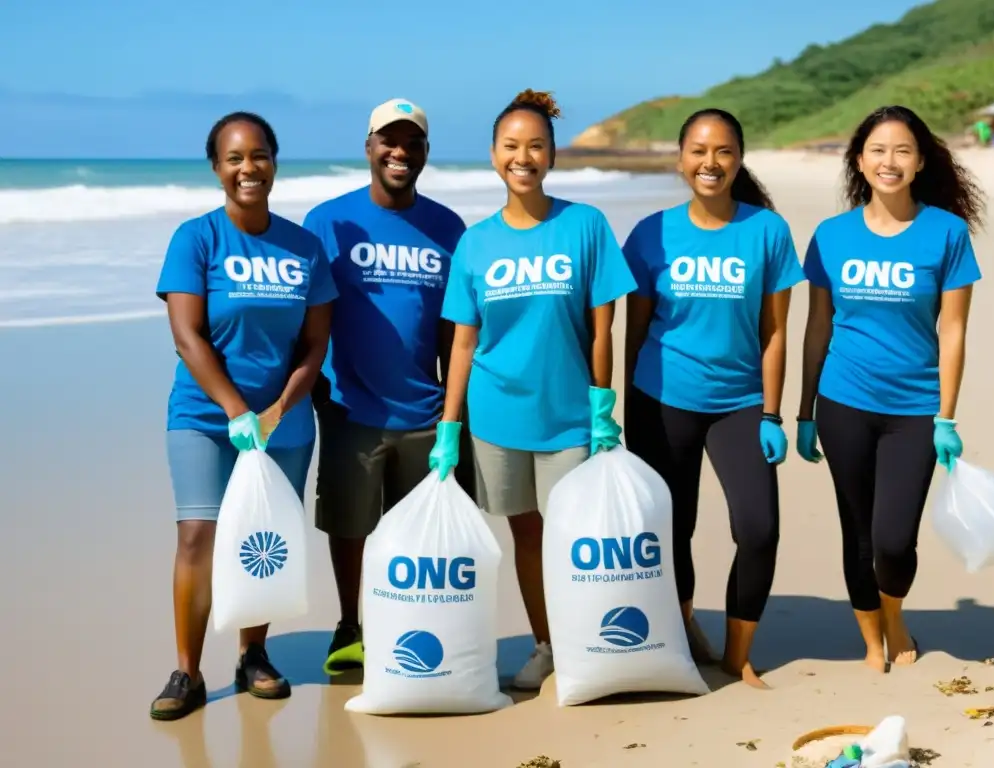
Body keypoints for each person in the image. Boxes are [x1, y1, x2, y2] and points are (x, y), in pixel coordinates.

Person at [428, 89, 638, 690]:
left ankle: (588, 643)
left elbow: (605, 327)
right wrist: (450, 427)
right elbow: (464, 342)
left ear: (552, 155)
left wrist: (604, 405)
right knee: (527, 535)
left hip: (570, 415)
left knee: (576, 538)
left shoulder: (585, 226)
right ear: (494, 155)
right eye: (511, 146)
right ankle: (548, 645)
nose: (524, 156)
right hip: (495, 417)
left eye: (536, 146)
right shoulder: (476, 243)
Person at [150, 112, 337, 720]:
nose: (247, 168)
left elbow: (315, 345)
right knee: (198, 538)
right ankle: (187, 671)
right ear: (216, 168)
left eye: (258, 155)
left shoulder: (303, 246)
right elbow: (188, 336)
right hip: (205, 417)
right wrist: (237, 411)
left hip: (284, 422)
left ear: (274, 162)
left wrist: (280, 408)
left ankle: (254, 656)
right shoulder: (196, 238)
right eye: (234, 158)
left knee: (264, 537)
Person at [796, 105, 984, 673]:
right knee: (857, 532)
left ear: (921, 160)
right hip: (843, 402)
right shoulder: (831, 236)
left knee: (894, 539)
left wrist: (946, 417)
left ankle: (894, 613)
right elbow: (817, 327)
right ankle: (871, 638)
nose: (890, 161)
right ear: (859, 160)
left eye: (903, 150)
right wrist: (804, 412)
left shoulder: (946, 233)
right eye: (878, 150)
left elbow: (952, 330)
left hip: (915, 411)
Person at [622, 108, 805, 689]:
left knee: (758, 529)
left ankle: (737, 653)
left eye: (723, 151)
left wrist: (773, 412)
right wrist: (623, 409)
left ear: (739, 159)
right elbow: (635, 329)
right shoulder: (650, 233)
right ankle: (680, 628)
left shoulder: (767, 231)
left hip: (741, 402)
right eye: (698, 151)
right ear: (680, 160)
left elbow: (776, 332)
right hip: (662, 397)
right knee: (672, 528)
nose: (711, 163)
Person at [302, 98, 474, 676]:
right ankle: (350, 625)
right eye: (389, 141)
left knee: (419, 537)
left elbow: (458, 331)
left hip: (427, 411)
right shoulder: (328, 221)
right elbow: (304, 313)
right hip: (350, 406)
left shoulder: (449, 227)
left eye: (413, 143)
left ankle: (410, 627)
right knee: (350, 528)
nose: (400, 152)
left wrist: (457, 410)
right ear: (369, 147)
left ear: (425, 152)